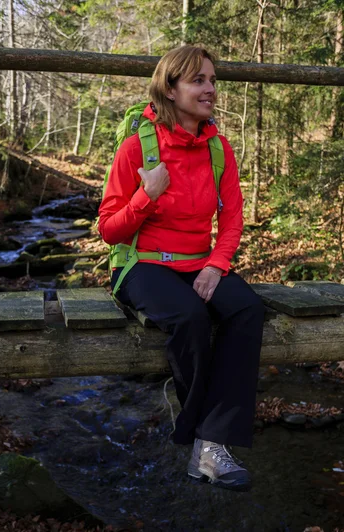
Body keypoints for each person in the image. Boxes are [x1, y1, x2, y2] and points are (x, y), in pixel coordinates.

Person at [98, 45, 265, 492]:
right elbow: (109, 230)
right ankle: (204, 442)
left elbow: (231, 220)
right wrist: (145, 194)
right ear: (170, 89)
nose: (210, 89)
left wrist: (217, 265)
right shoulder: (137, 147)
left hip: (198, 264)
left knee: (247, 309)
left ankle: (209, 444)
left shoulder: (219, 149)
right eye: (198, 80)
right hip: (140, 264)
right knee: (189, 317)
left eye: (212, 80)